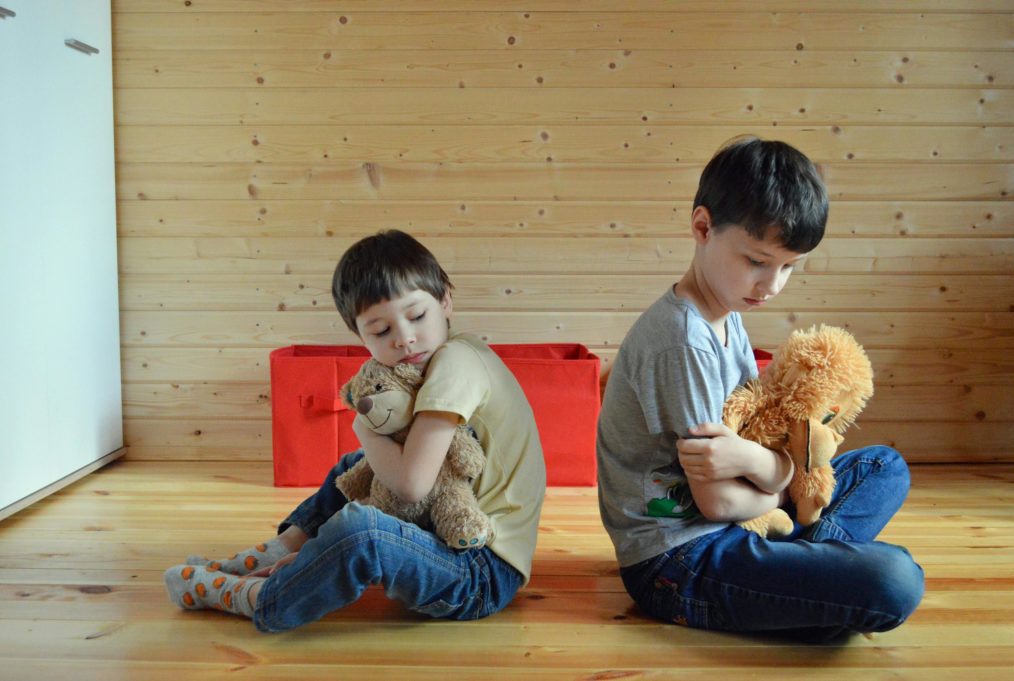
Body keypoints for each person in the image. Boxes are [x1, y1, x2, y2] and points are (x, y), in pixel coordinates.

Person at [597, 136, 924, 642]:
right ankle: (806, 578)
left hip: (745, 508)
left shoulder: (726, 314)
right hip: (681, 558)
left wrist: (771, 466)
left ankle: (799, 579)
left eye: (789, 266)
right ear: (703, 227)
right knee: (894, 580)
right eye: (757, 260)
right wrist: (776, 476)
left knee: (884, 466)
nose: (771, 285)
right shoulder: (684, 344)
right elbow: (719, 505)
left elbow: (759, 449)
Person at [164, 230, 546, 632]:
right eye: (381, 332)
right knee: (358, 467)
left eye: (417, 316)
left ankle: (261, 596)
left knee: (361, 529)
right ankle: (279, 553)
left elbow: (413, 486)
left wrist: (364, 427)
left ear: (446, 300)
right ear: (359, 336)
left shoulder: (456, 362)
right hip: (454, 543)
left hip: (480, 571)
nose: (404, 338)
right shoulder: (435, 362)